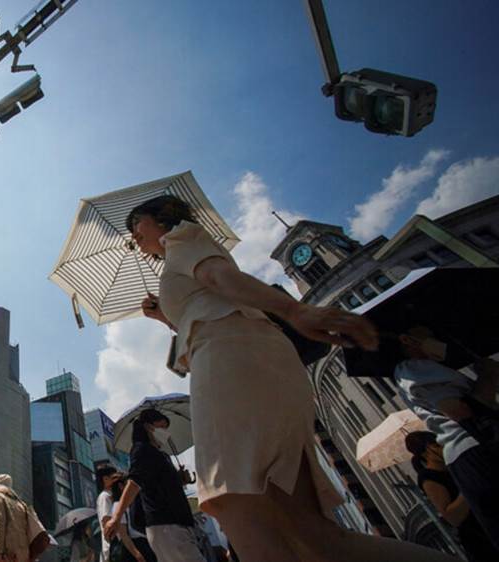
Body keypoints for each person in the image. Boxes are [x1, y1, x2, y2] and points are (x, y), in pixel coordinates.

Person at [122, 195, 459, 562]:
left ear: (161, 217)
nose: (134, 235)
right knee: (306, 534)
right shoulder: (175, 258)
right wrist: (165, 318)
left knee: (237, 502)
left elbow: (221, 277)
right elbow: (205, 311)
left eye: (137, 224)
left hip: (232, 357)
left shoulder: (183, 239)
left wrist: (295, 310)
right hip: (225, 355)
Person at [395, 327, 499, 548]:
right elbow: (460, 411)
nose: (436, 340)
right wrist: (488, 376)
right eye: (429, 335)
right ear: (407, 340)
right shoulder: (412, 369)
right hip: (475, 448)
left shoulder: (432, 369)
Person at [104, 411, 203, 562]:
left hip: (180, 523)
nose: (165, 432)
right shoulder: (141, 449)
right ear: (148, 427)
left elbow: (161, 485)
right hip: (166, 525)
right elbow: (134, 482)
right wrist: (116, 518)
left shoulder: (162, 455)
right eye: (161, 426)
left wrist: (181, 480)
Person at [406, 431, 499, 562]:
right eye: (436, 446)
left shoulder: (453, 465)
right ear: (425, 453)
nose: (442, 448)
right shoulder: (428, 477)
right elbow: (452, 516)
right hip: (479, 535)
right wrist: (467, 485)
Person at [95, 466, 147, 562]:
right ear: (105, 479)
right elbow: (106, 523)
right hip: (115, 547)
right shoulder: (105, 497)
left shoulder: (114, 498)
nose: (117, 479)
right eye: (114, 477)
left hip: (124, 545)